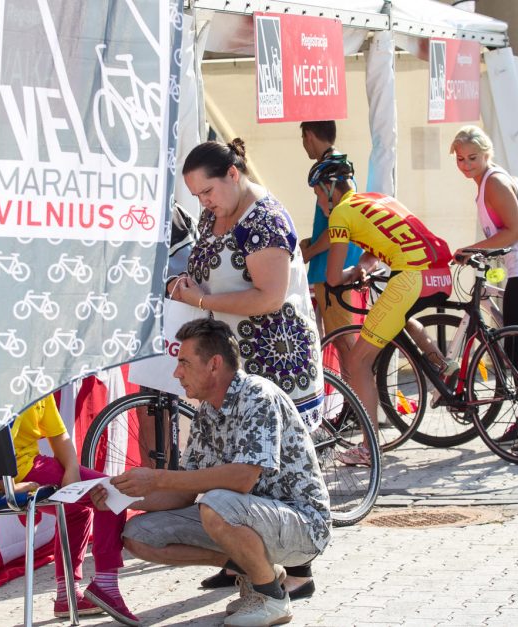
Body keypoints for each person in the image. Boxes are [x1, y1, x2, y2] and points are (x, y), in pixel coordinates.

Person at [90, 318, 331, 627]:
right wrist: (121, 496)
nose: (176, 372)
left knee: (216, 503)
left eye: (184, 363)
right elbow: (184, 492)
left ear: (214, 364)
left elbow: (243, 479)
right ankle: (258, 574)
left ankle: (272, 598)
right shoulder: (207, 411)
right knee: (139, 537)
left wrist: (157, 477)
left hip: (305, 526)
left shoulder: (258, 395)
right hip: (251, 517)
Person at [168, 138, 324, 597]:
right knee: (233, 454)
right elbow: (204, 265)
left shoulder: (264, 220)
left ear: (233, 175)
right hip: (234, 354)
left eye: (208, 192)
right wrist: (187, 283)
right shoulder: (217, 212)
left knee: (274, 467)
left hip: (273, 355)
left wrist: (200, 299)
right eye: (196, 196)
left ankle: (299, 573)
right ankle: (242, 559)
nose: (204, 202)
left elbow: (268, 297)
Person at [309, 153, 454, 465]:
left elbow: (333, 277)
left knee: (359, 362)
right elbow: (377, 249)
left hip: (411, 278)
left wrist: (347, 275)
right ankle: (443, 369)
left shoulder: (340, 215)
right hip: (440, 274)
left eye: (319, 194)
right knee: (395, 322)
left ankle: (368, 447)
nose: (320, 202)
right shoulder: (377, 199)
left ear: (330, 188)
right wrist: (361, 267)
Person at [450, 125, 518, 454]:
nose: (466, 163)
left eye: (473, 157)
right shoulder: (485, 182)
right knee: (515, 348)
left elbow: (514, 232)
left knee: (516, 351)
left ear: (487, 155)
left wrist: (471, 249)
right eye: (460, 158)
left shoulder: (494, 182)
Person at [0, 395, 139, 625]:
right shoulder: (5, 382)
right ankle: (106, 585)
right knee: (112, 494)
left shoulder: (38, 380)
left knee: (76, 511)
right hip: (17, 473)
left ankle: (66, 595)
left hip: (25, 468)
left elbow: (59, 434)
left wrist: (71, 469)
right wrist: (7, 485)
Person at [297, 121, 362, 341]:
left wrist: (310, 251)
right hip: (333, 268)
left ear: (309, 136)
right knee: (336, 343)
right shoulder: (338, 166)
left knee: (345, 345)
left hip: (334, 270)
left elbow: (339, 226)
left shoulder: (333, 172)